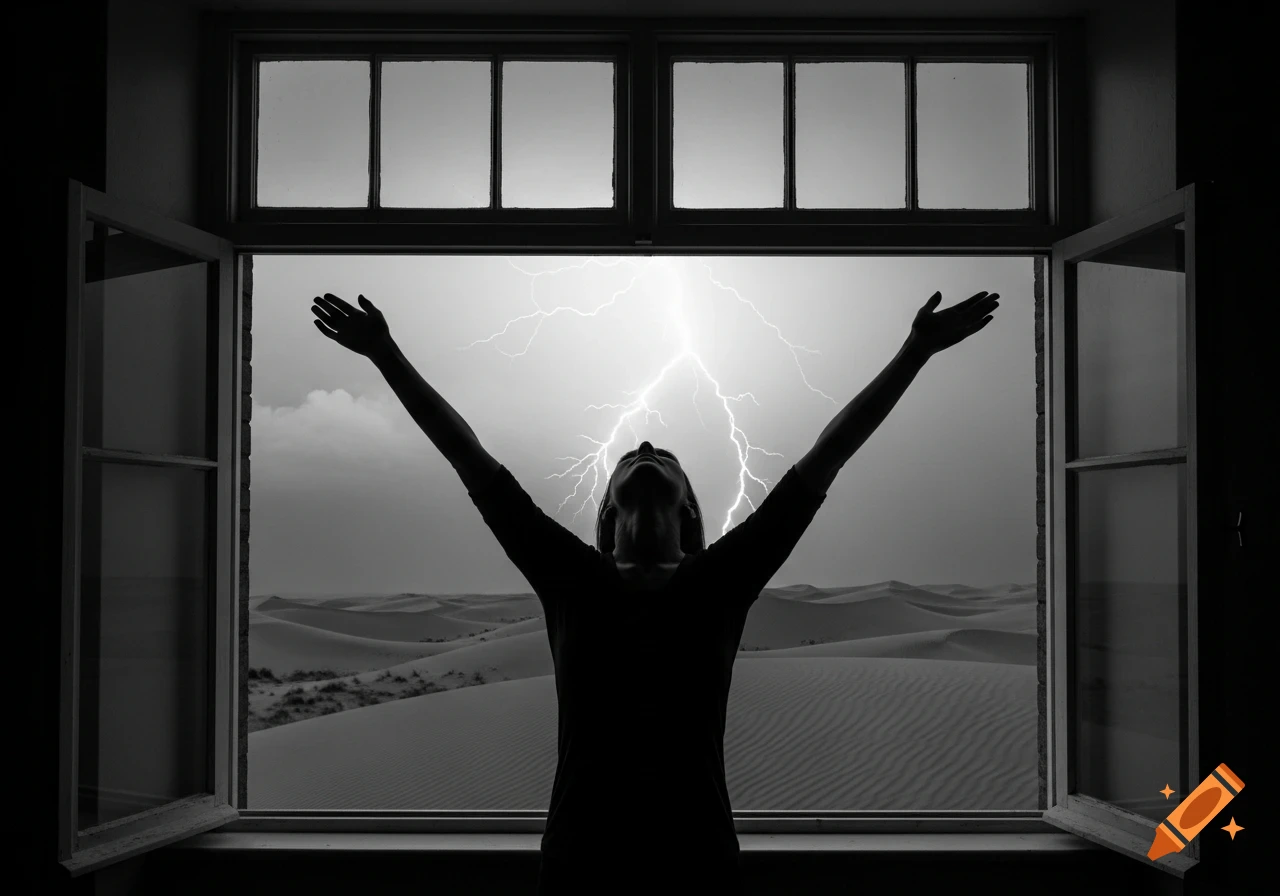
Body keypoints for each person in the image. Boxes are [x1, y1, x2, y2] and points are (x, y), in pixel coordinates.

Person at [310, 285, 1000, 895]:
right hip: (581, 869)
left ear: (692, 513)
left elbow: (828, 456)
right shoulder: (569, 577)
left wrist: (916, 351)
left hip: (697, 868)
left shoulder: (722, 580)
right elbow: (470, 459)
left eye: (662, 455)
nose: (643, 442)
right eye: (630, 456)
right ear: (606, 511)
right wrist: (385, 355)